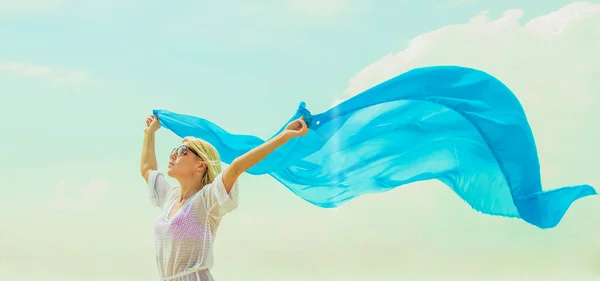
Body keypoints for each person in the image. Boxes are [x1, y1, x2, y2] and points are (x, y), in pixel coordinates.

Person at [140, 114, 308, 281]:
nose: (173, 155)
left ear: (201, 165)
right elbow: (147, 169)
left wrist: (283, 136)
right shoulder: (170, 198)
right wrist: (150, 133)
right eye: (174, 151)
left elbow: (236, 167)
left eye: (182, 151)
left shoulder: (207, 199)